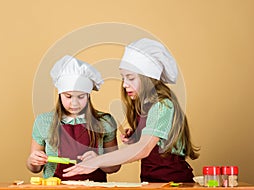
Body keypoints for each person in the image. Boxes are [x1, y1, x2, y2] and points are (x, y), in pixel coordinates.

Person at [63, 38, 200, 182]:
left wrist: (99, 161)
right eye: (123, 78)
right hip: (151, 181)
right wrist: (136, 138)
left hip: (174, 182)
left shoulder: (163, 105)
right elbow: (149, 145)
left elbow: (143, 149)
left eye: (130, 78)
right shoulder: (143, 106)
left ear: (148, 78)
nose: (124, 84)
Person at [27, 55, 121, 182]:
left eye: (81, 97)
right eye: (68, 96)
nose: (74, 103)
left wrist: (98, 160)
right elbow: (35, 168)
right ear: (60, 95)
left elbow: (115, 167)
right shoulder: (43, 122)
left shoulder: (105, 122)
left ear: (88, 95)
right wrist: (33, 161)